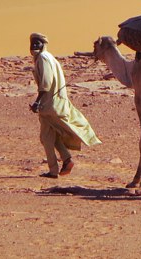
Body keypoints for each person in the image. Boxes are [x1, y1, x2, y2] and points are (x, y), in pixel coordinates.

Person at [29, 32, 101, 178]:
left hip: (49, 104)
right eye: (33, 43)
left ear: (43, 45)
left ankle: (54, 169)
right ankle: (66, 160)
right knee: (50, 136)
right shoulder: (48, 58)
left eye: (38, 43)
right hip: (54, 103)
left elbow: (46, 83)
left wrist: (38, 101)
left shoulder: (43, 58)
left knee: (46, 137)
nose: (35, 45)